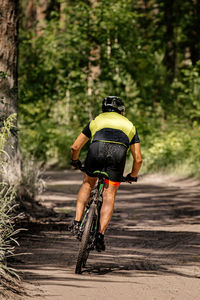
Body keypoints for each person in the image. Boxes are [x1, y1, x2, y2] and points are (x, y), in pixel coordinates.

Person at [70, 96, 142, 251]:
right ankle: (100, 235)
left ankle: (76, 223)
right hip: (118, 156)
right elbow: (138, 159)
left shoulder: (95, 121)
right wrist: (132, 175)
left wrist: (75, 161)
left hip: (97, 150)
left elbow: (75, 147)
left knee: (88, 183)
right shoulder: (130, 125)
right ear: (122, 111)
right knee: (109, 195)